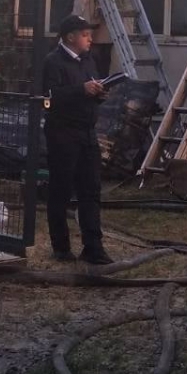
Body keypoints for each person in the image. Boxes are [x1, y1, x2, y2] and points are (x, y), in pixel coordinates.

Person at [39, 14, 113, 265]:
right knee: (61, 189)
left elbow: (91, 89)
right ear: (70, 37)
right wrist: (81, 90)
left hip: (87, 133)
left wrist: (99, 93)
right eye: (85, 35)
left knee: (91, 190)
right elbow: (50, 98)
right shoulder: (53, 62)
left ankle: (93, 247)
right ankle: (61, 246)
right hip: (63, 133)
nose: (90, 39)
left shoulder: (88, 60)